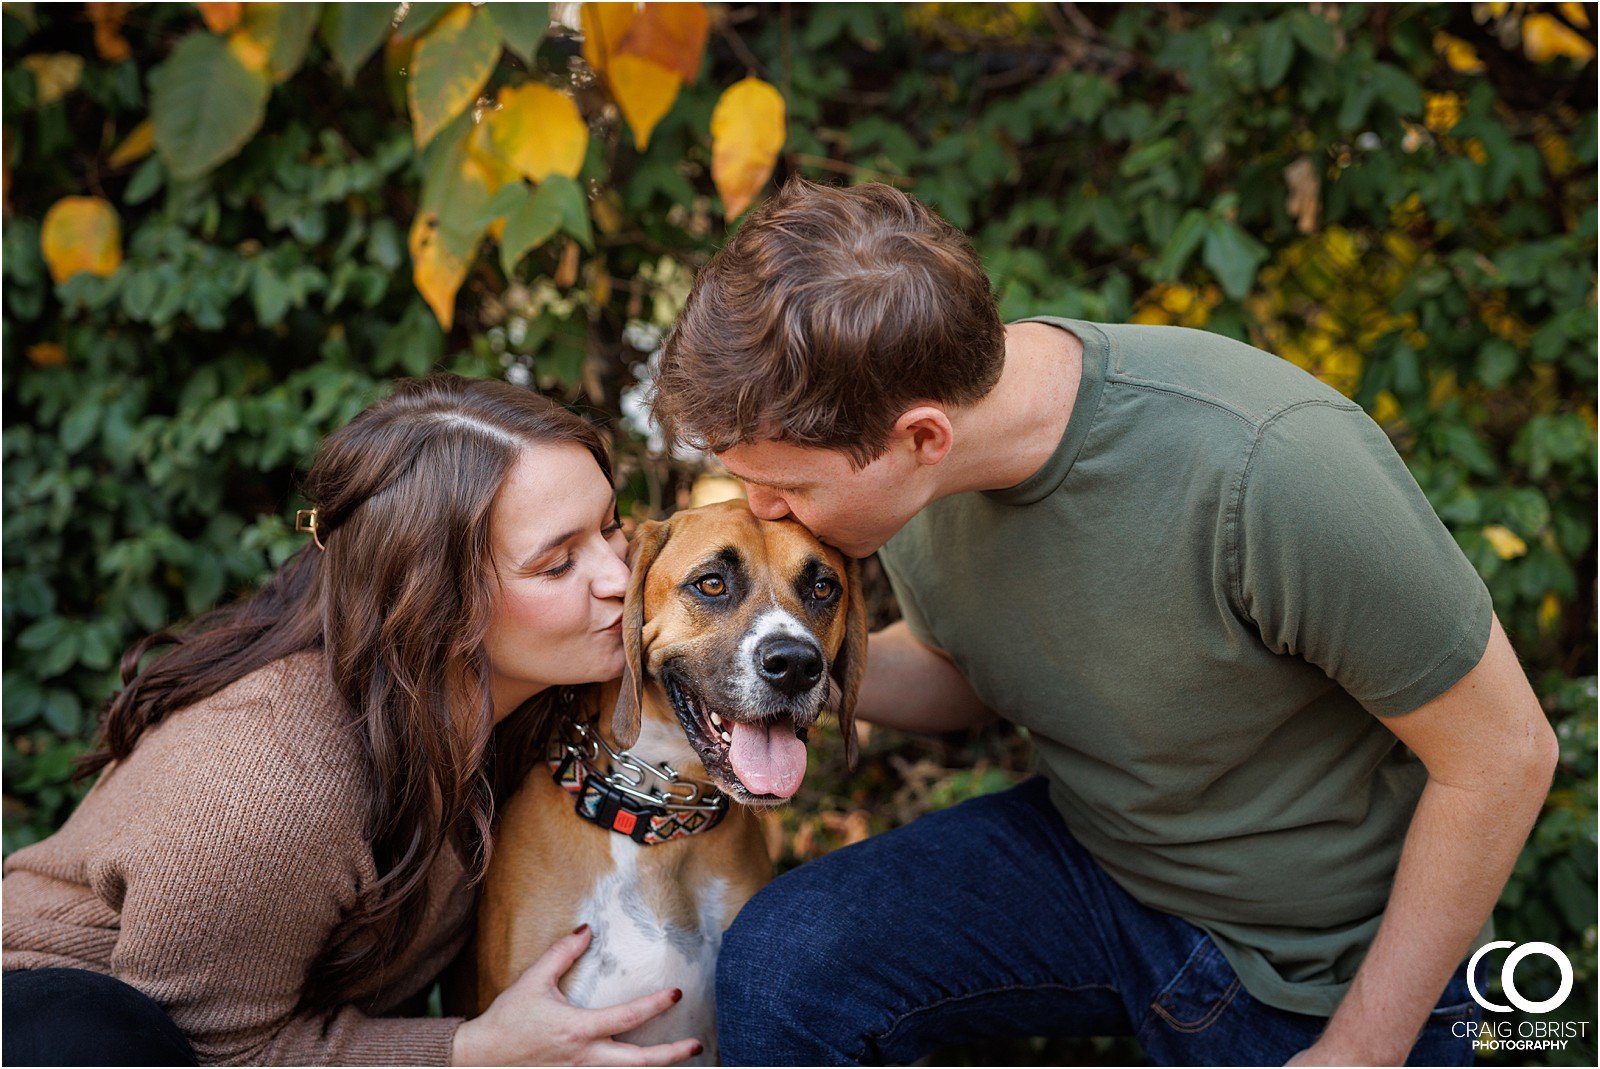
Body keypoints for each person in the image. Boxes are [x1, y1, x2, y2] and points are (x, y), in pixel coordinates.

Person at [649, 177, 1559, 1066]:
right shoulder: (903, 483)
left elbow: (1504, 754)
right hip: (1103, 860)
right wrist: (761, 661)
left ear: (922, 438)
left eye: (787, 484)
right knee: (789, 958)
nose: (762, 510)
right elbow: (966, 666)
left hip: (1325, 956)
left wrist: (1361, 1049)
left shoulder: (1267, 466)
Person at [2, 374, 703, 1067]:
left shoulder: (536, 712)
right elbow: (209, 1050)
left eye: (611, 525)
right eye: (557, 564)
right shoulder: (269, 783)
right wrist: (469, 1049)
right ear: (436, 601)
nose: (620, 576)